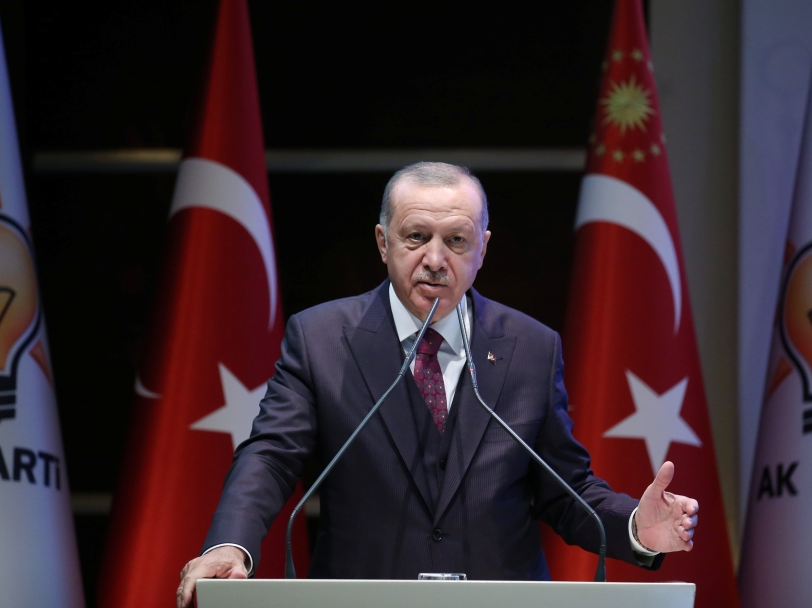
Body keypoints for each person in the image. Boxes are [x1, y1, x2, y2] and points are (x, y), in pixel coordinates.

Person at [177, 162, 698, 607]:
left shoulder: (530, 347)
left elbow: (567, 491)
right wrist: (230, 545)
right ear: (383, 243)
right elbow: (271, 456)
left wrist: (635, 526)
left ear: (482, 249)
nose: (435, 259)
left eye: (455, 241)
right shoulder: (322, 340)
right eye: (415, 236)